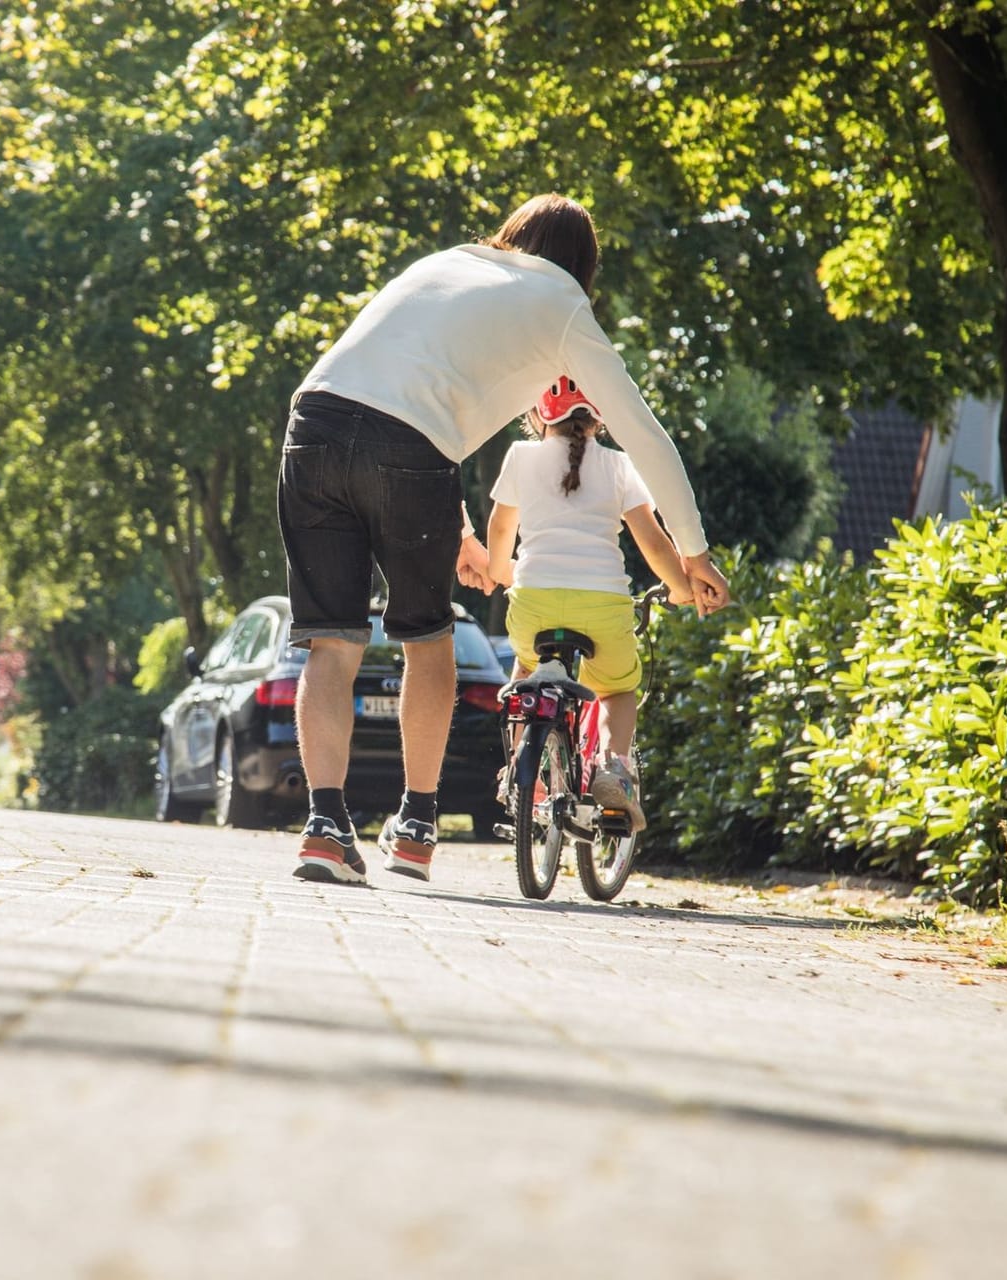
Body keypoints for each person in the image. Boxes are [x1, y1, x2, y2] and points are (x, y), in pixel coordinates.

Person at [278, 193, 729, 887]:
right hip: (409, 450)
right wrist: (692, 549)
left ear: (513, 235)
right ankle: (419, 826)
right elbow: (641, 431)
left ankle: (325, 828)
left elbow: (403, 391)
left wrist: (457, 523)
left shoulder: (450, 262)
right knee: (426, 637)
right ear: (585, 267)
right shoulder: (564, 306)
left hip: (313, 424)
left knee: (331, 643)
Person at [486, 376, 695, 833]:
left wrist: (501, 571)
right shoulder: (620, 466)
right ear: (600, 418)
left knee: (525, 669)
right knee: (617, 689)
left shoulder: (519, 457)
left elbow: (501, 530)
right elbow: (654, 544)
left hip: (533, 602)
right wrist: (680, 588)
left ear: (538, 416)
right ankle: (612, 772)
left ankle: (522, 773)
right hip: (603, 605)